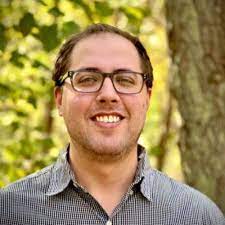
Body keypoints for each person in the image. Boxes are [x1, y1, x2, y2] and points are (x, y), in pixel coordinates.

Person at [0, 23, 224, 225]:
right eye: (87, 79)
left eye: (125, 80)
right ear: (59, 99)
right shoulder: (9, 211)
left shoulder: (199, 216)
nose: (108, 94)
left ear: (147, 99)